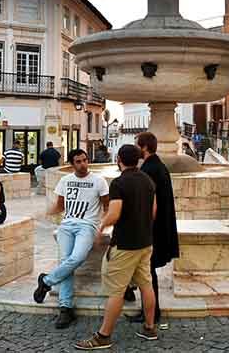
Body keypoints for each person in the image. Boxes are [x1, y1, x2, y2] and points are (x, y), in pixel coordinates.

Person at [75, 144, 158, 350]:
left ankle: (103, 336)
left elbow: (114, 213)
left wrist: (101, 226)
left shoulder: (119, 183)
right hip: (145, 242)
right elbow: (154, 211)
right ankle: (149, 328)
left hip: (124, 244)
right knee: (146, 285)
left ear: (119, 159)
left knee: (116, 290)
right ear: (138, 159)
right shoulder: (148, 180)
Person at [34, 149, 109, 328]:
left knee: (78, 257)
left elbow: (107, 207)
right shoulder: (65, 180)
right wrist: (42, 213)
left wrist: (103, 226)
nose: (83, 164)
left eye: (84, 160)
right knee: (66, 261)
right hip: (67, 226)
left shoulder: (99, 181)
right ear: (72, 164)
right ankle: (66, 308)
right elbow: (60, 206)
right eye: (78, 161)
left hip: (87, 225)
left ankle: (46, 281)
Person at [125, 132, 179, 327]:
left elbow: (149, 203)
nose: (135, 148)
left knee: (147, 274)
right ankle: (149, 310)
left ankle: (151, 313)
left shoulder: (149, 169)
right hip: (159, 227)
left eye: (136, 144)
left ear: (144, 147)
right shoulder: (157, 165)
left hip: (152, 229)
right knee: (147, 273)